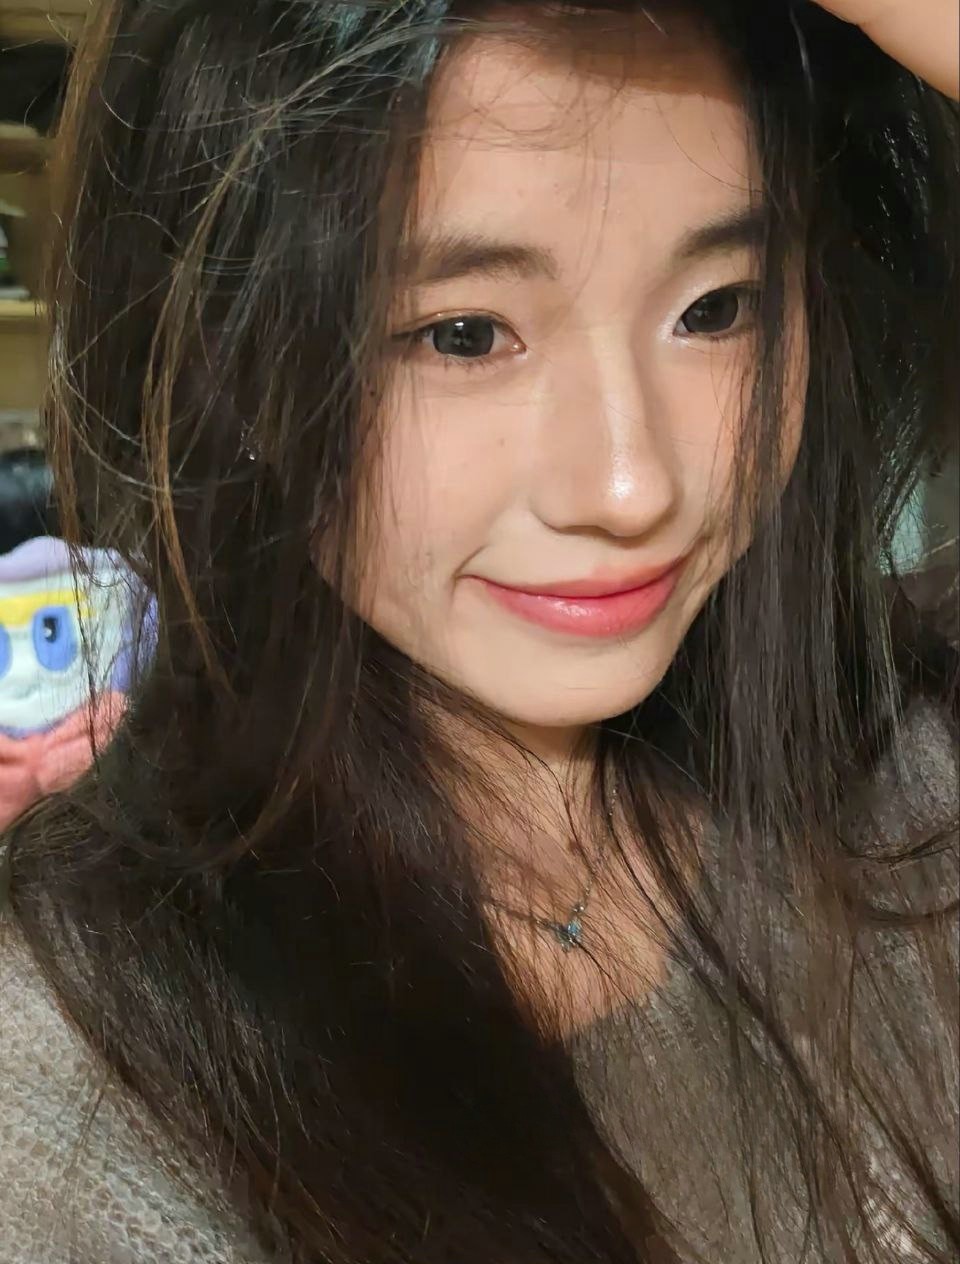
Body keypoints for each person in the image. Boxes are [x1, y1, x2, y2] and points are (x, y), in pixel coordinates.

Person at [0, 0, 956, 1260]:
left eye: (719, 308)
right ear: (228, 362)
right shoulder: (79, 1095)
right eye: (464, 335)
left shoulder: (905, 768)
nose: (631, 486)